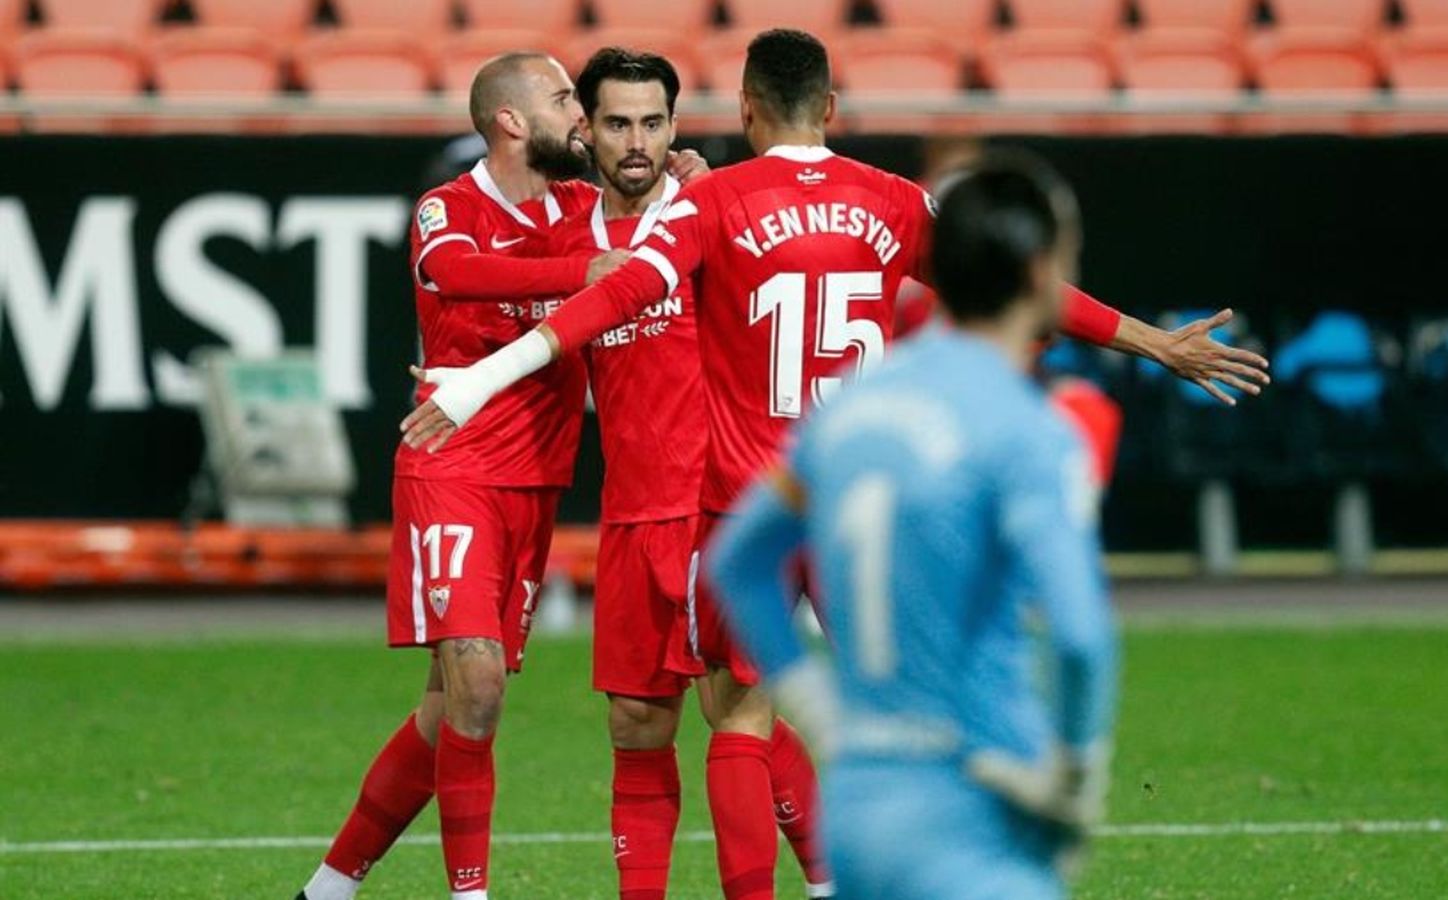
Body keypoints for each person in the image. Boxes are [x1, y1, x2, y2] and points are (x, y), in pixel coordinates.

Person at [399, 29, 1262, 899]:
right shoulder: (892, 201)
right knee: (907, 717)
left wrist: (480, 379)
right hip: (865, 505)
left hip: (751, 499)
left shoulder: (715, 201)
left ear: (743, 109)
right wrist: (1154, 342)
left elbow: (618, 294)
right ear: (833, 109)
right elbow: (1016, 290)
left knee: (740, 717)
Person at [294, 51, 704, 900]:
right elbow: (453, 274)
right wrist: (575, 274)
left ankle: (329, 887)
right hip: (453, 468)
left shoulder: (588, 208)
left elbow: (661, 218)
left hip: (537, 483)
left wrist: (693, 177)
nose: (584, 120)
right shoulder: (450, 208)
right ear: (513, 121)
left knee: (447, 712)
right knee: (476, 686)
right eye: (566, 102)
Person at [710, 154, 1118, 899]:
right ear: (1040, 274)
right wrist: (1077, 775)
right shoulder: (1030, 427)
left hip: (861, 807)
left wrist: (820, 711)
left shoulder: (845, 415)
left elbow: (736, 564)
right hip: (974, 796)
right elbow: (1081, 638)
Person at [556, 47, 834, 899]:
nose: (637, 142)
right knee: (637, 723)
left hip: (712, 504)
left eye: (652, 122)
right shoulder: (570, 238)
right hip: (631, 510)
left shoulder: (712, 214)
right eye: (617, 123)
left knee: (730, 713)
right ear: (588, 132)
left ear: (676, 127)